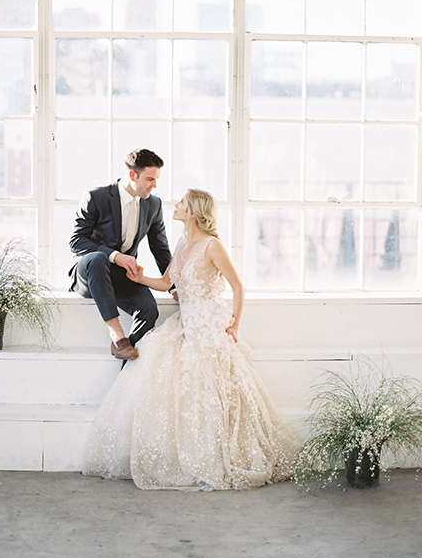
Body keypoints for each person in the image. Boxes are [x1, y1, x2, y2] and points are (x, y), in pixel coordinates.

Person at [83, 189, 299, 490]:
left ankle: (220, 456)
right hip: (185, 323)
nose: (175, 205)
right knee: (153, 359)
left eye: (181, 202)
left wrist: (235, 325)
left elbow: (237, 286)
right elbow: (165, 282)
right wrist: (138, 279)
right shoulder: (183, 243)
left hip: (208, 324)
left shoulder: (213, 246)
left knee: (212, 386)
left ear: (194, 212)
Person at [69, 149, 172, 361]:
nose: (154, 186)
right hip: (90, 274)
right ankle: (117, 335)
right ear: (133, 175)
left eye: (156, 180)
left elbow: (160, 249)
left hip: (121, 276)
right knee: (98, 258)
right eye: (150, 179)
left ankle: (128, 376)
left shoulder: (153, 204)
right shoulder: (96, 197)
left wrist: (175, 285)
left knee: (149, 309)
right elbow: (76, 242)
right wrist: (115, 256)